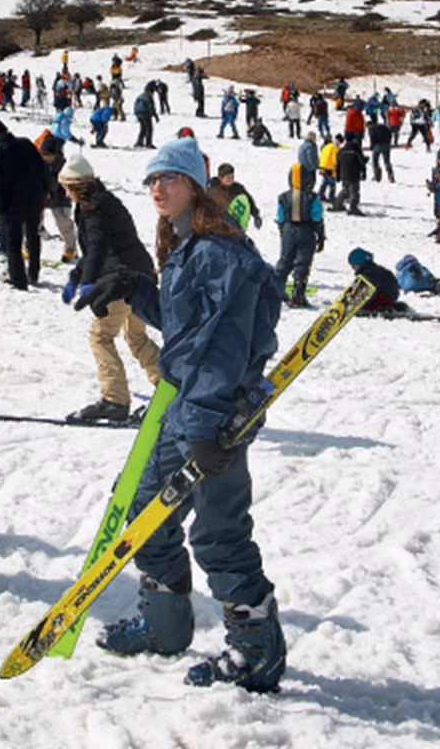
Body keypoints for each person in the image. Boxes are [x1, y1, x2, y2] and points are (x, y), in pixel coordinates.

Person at [75, 136, 286, 693]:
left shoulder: (219, 253)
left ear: (195, 185)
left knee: (219, 531)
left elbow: (220, 345)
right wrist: (135, 289)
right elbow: (187, 327)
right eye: (150, 180)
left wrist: (204, 426)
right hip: (186, 405)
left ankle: (255, 650)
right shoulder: (191, 245)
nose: (157, 189)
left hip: (214, 415)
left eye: (168, 178)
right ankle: (165, 625)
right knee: (144, 504)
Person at [60, 154, 160, 423]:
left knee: (101, 336)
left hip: (120, 281)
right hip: (142, 276)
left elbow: (97, 248)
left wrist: (88, 280)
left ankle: (114, 400)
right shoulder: (105, 201)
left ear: (75, 186)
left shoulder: (92, 208)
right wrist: (77, 275)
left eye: (66, 187)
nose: (65, 193)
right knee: (136, 336)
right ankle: (170, 390)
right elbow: (97, 248)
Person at [0, 120, 45, 290]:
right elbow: (43, 170)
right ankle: (33, 274)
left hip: (10, 206)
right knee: (33, 238)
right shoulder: (26, 143)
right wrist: (45, 194)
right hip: (34, 200)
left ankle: (19, 281)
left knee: (13, 244)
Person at [275, 166, 325, 307]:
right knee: (303, 262)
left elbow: (280, 217)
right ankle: (298, 294)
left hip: (288, 230)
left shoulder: (283, 197)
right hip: (306, 230)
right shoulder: (312, 197)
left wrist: (282, 232)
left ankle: (276, 289)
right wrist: (321, 236)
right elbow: (317, 217)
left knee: (285, 260)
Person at [38, 136, 77, 263]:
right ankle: (27, 246)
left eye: (49, 155)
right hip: (42, 196)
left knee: (64, 223)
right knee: (33, 222)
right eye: (44, 154)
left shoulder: (63, 164)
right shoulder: (39, 163)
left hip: (60, 198)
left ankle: (70, 249)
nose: (46, 157)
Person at [208, 163, 262, 231]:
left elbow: (249, 200)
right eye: (228, 178)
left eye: (232, 177)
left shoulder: (237, 189)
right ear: (220, 178)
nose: (231, 180)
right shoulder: (212, 188)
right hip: (214, 222)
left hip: (231, 222)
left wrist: (256, 216)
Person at [348, 248, 401, 314]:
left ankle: (381, 308)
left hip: (383, 297)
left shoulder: (369, 273)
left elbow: (367, 290)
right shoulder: (374, 269)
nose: (352, 268)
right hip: (390, 295)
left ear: (360, 263)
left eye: (353, 265)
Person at [333, 133, 368, 215]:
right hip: (354, 173)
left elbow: (338, 164)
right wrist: (363, 172)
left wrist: (337, 175)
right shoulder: (356, 150)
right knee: (355, 191)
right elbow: (361, 162)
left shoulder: (341, 151)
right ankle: (353, 207)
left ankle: (337, 204)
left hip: (343, 173)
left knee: (346, 190)